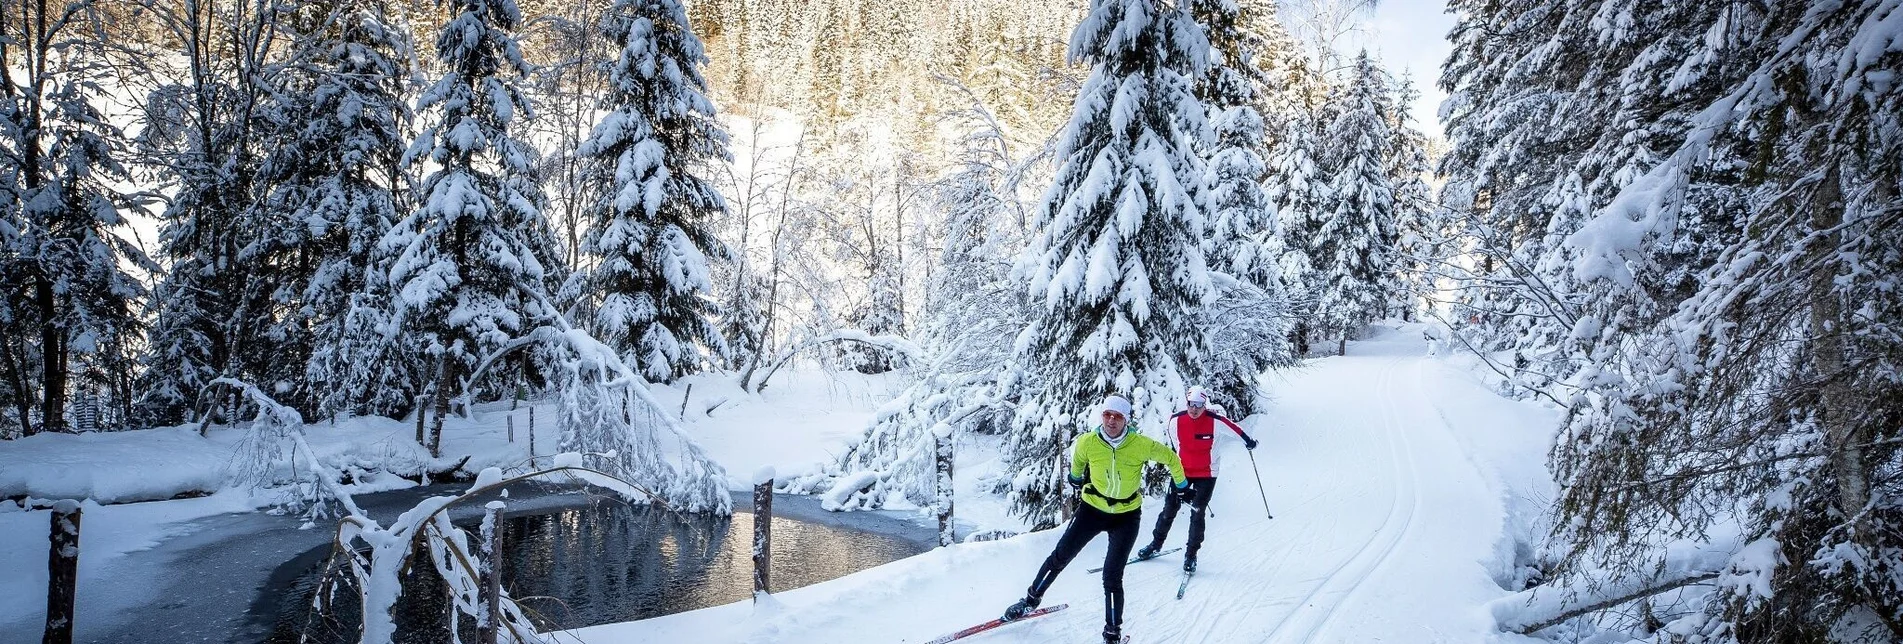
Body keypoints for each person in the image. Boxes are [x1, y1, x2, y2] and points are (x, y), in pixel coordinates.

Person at [1001, 394, 1190, 644]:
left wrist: (1182, 486)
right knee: (1060, 555)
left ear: (1126, 419)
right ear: (1102, 416)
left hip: (1126, 516)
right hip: (1092, 509)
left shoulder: (1141, 444)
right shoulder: (1088, 442)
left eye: (1118, 416)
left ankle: (1112, 634)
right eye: (1107, 415)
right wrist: (1075, 478)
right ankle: (1030, 600)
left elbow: (1171, 458)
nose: (1111, 420)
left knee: (1112, 576)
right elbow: (1078, 461)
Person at [1135, 386, 1259, 573]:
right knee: (1169, 508)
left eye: (1199, 406)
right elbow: (1177, 444)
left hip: (1207, 473)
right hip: (1182, 472)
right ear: (1187, 404)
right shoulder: (1175, 421)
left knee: (1197, 512)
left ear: (1205, 405)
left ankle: (1191, 555)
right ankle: (1155, 544)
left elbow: (1236, 431)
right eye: (1191, 405)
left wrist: (1249, 442)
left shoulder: (1215, 421)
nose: (1194, 409)